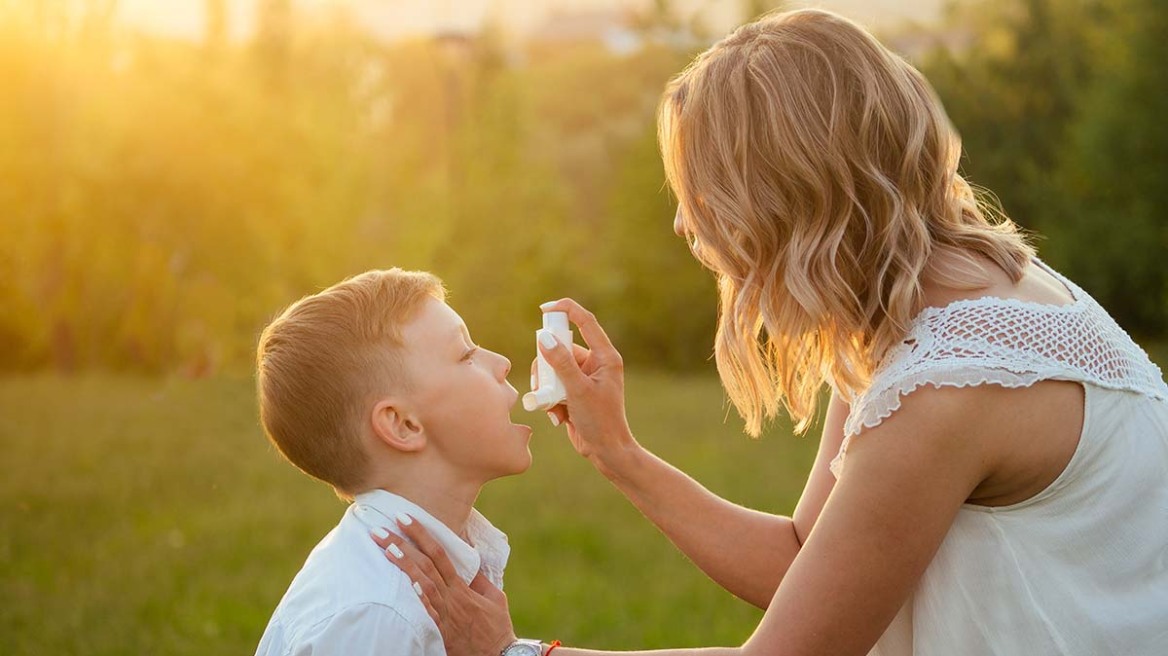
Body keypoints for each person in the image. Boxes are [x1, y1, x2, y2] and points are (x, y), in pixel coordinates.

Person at [374, 8, 1168, 656]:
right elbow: (804, 560)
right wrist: (618, 455)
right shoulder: (935, 302)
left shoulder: (949, 387)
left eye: (706, 195)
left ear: (789, 199)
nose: (685, 225)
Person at [253, 268, 520, 655]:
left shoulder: (421, 584)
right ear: (403, 424)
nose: (503, 363)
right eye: (466, 354)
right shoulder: (377, 616)